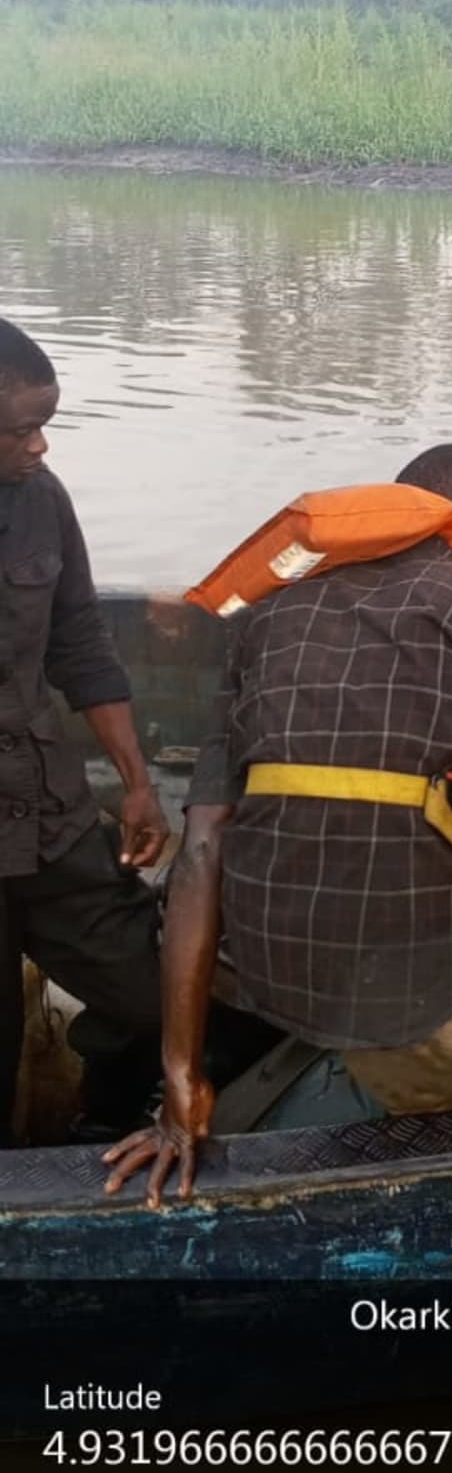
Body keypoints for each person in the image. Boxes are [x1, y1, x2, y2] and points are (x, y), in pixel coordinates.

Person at [103, 444, 452, 1206]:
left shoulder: (269, 609)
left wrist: (181, 1077)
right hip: (396, 977)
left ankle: (232, 1067)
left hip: (245, 953)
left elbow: (200, 851)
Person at [0, 317, 168, 1143]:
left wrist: (137, 783)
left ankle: (102, 1118)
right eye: (23, 429)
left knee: (157, 995)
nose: (41, 446)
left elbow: (81, 644)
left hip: (51, 818)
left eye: (46, 425)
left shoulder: (43, 501)